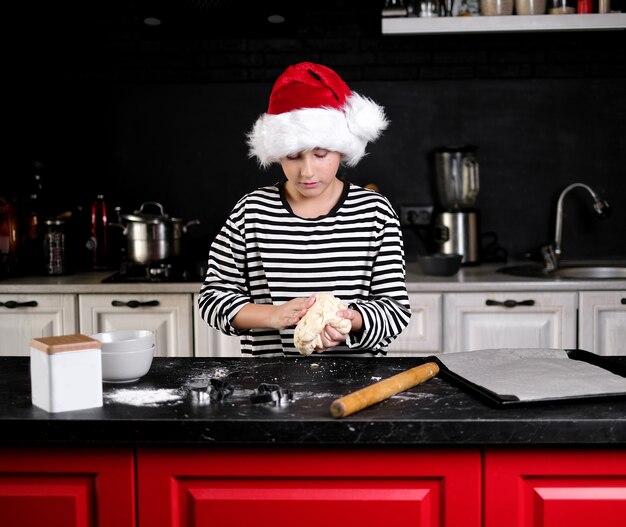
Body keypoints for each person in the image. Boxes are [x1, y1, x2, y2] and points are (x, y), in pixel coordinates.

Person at [198, 62, 411, 357]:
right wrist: (272, 316)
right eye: (293, 156)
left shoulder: (374, 213)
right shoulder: (252, 212)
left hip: (358, 386)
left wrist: (351, 321)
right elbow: (213, 299)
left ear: (342, 149)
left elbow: (395, 310)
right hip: (271, 384)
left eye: (321, 154)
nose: (307, 171)